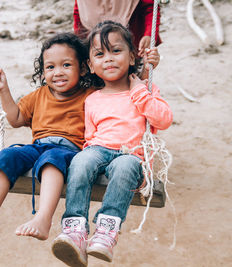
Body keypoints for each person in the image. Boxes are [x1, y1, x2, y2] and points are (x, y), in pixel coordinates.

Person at [51, 21, 172, 266]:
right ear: (91, 66)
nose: (108, 59)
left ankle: (106, 232)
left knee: (126, 166)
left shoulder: (144, 90)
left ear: (131, 58)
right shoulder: (93, 99)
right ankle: (75, 229)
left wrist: (140, 92)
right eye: (99, 54)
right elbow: (90, 134)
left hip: (131, 154)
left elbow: (164, 119)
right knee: (82, 160)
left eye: (116, 51)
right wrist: (89, 154)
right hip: (98, 149)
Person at [0, 32, 94, 242]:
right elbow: (15, 119)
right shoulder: (39, 95)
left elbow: (122, 96)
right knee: (5, 157)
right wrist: (4, 89)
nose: (58, 72)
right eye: (50, 67)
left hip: (69, 152)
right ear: (42, 73)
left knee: (51, 160)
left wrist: (144, 73)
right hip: (38, 146)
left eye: (66, 65)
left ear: (83, 68)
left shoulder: (92, 95)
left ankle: (43, 220)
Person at [73, 0, 162, 58]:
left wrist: (149, 34)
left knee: (133, 78)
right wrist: (79, 47)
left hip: (131, 43)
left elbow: (150, 8)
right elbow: (79, 13)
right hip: (95, 47)